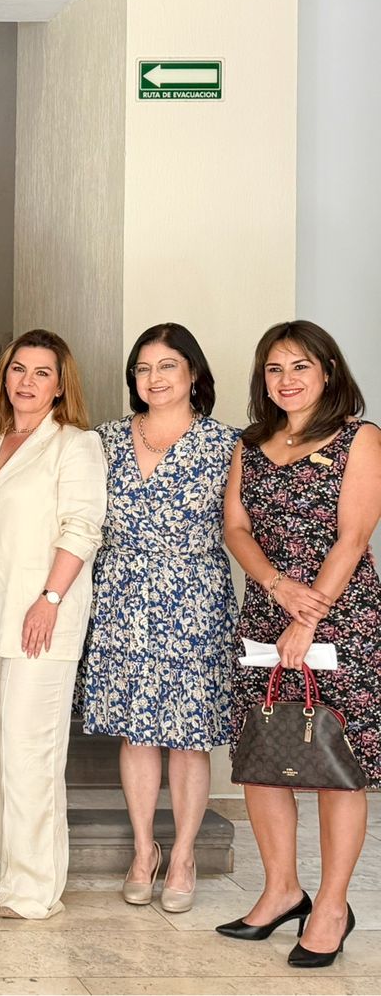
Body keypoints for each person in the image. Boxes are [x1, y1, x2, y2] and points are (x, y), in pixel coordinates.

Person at [217, 321, 380, 969]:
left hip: (339, 615)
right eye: (274, 369)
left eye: (300, 366)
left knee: (337, 763)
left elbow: (354, 536)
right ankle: (282, 890)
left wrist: (307, 618)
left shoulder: (359, 438)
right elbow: (235, 527)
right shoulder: (250, 444)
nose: (286, 380)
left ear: (329, 371)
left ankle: (332, 907)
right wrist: (276, 587)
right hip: (266, 611)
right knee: (264, 751)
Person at [80, 323, 238, 915]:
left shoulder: (227, 445)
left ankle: (185, 855)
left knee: (190, 737)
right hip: (121, 597)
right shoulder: (105, 440)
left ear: (193, 373)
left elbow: (243, 527)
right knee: (137, 732)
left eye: (168, 366)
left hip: (195, 599)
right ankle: (144, 850)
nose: (155, 378)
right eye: (143, 368)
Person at [0, 329, 106, 919]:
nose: (26, 381)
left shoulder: (76, 445)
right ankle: (3, 867)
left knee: (31, 754)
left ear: (60, 385)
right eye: (18, 369)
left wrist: (50, 598)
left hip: (40, 618)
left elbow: (83, 528)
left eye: (41, 372)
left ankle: (34, 888)